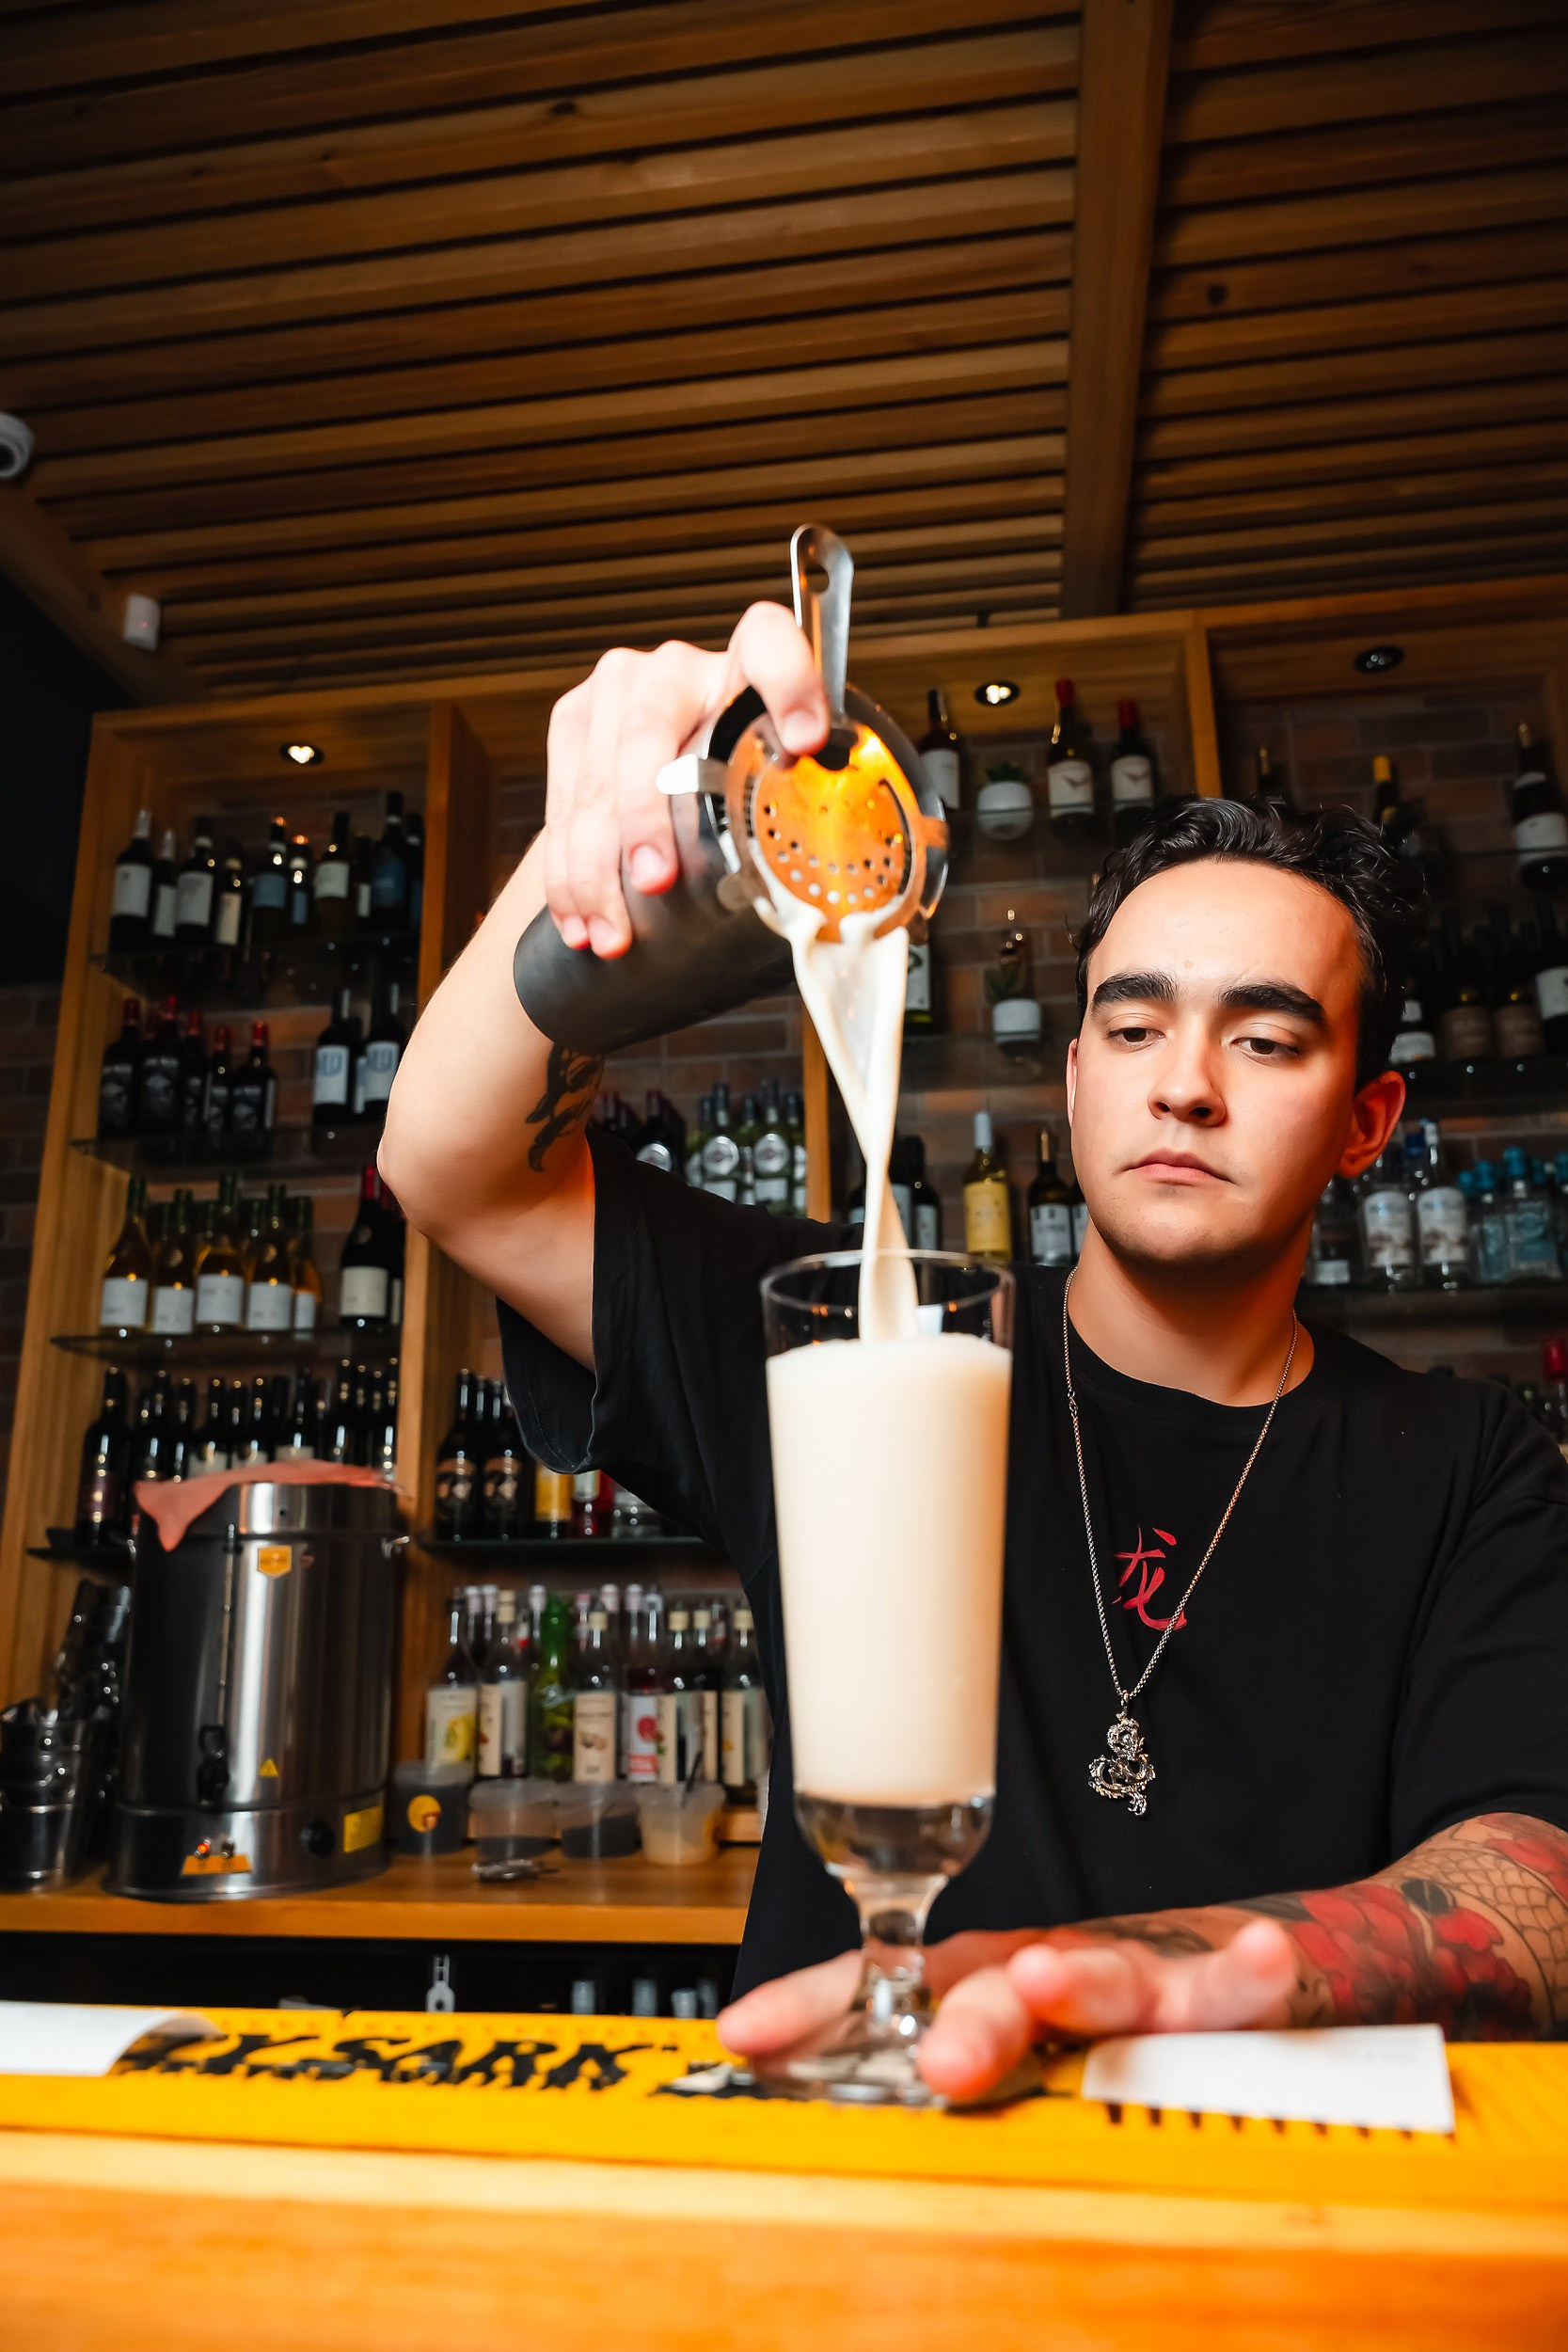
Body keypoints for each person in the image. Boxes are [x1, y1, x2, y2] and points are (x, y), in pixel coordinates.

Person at [380, 608, 1568, 2103]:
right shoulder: (856, 1342)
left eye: (1265, 1042)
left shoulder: (1469, 1466)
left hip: (1260, 2192)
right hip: (846, 2162)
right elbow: (453, 1168)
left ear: (1365, 1124)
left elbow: (1534, 1884)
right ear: (1073, 1083)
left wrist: (1166, 1974)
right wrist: (609, 856)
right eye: (1132, 1030)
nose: (1185, 1087)